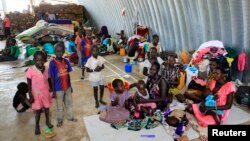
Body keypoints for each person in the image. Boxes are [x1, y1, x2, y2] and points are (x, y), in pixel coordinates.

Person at [49, 43, 77, 127]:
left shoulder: (66, 61)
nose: (59, 53)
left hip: (67, 87)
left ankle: (70, 117)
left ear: (64, 52)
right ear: (54, 52)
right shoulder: (52, 63)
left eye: (61, 51)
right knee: (59, 106)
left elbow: (68, 74)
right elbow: (52, 78)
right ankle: (59, 120)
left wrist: (70, 86)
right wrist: (53, 91)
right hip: (58, 89)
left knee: (69, 103)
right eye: (57, 51)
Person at [26, 51, 53, 135]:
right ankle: (37, 125)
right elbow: (29, 84)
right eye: (38, 60)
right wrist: (30, 95)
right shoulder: (30, 70)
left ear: (44, 60)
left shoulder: (46, 69)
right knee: (38, 111)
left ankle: (47, 121)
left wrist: (51, 88)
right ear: (34, 60)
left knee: (47, 108)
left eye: (42, 60)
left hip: (45, 92)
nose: (40, 62)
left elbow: (48, 79)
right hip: (36, 94)